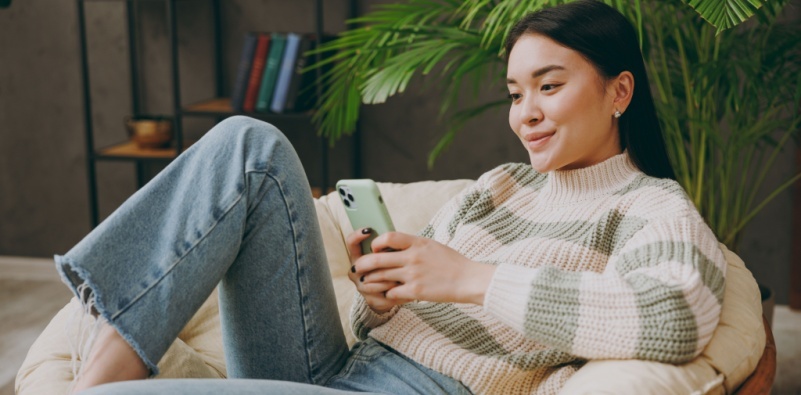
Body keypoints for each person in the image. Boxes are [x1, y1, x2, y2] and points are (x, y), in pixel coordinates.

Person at [59, 1, 726, 394]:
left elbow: (672, 317)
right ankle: (113, 357)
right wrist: (382, 292)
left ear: (619, 92)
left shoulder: (652, 207)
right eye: (515, 93)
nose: (524, 114)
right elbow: (379, 321)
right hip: (344, 367)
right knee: (247, 146)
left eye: (548, 87)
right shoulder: (497, 185)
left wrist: (470, 278)